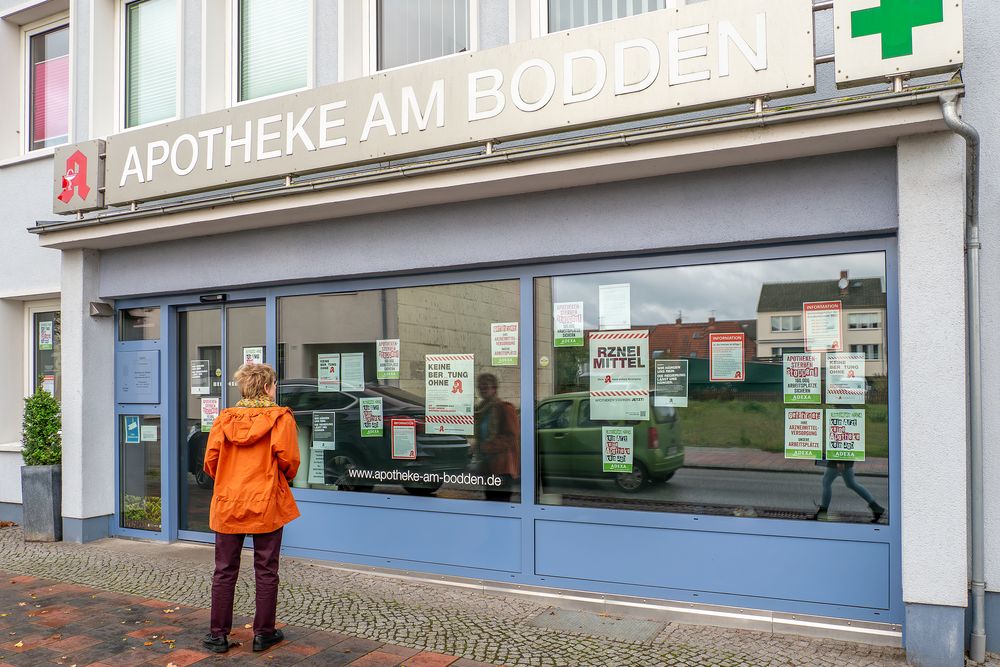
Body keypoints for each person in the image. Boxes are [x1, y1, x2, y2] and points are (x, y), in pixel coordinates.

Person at [201, 363, 300, 654]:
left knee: (224, 571)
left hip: (228, 503)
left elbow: (210, 463)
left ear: (244, 388)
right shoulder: (280, 419)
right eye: (274, 385)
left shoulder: (224, 420)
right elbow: (290, 462)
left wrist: (230, 478)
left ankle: (217, 635)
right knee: (266, 569)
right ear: (268, 387)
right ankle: (263, 634)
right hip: (265, 502)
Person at [474, 373, 520, 501]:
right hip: (487, 466)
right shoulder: (482, 409)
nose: (482, 389)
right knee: (490, 501)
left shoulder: (505, 408)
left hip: (502, 467)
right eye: (480, 387)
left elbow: (511, 436)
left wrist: (488, 446)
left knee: (500, 503)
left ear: (494, 388)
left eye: (486, 386)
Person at [814, 460, 885, 523]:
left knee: (826, 482)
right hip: (844, 459)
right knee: (851, 483)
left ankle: (822, 512)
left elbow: (841, 445)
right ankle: (876, 508)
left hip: (838, 459)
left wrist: (840, 461)